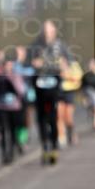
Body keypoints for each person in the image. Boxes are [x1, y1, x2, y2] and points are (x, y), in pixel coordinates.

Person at [28, 20, 71, 165]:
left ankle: (54, 147)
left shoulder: (60, 46)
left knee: (53, 118)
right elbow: (28, 62)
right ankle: (45, 147)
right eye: (44, 29)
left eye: (49, 29)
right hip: (39, 87)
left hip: (54, 87)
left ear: (54, 31)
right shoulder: (35, 45)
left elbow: (67, 65)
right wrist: (35, 64)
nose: (47, 32)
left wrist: (61, 67)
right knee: (40, 119)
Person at [0, 52, 26, 165]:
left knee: (12, 130)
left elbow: (21, 91)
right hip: (1, 107)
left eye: (10, 64)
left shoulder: (16, 76)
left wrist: (12, 81)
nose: (7, 66)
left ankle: (11, 152)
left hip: (14, 107)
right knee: (2, 130)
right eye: (6, 64)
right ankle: (4, 153)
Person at [57, 56, 83, 147]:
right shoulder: (54, 62)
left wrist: (67, 76)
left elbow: (78, 79)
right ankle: (61, 137)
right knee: (59, 116)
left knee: (68, 117)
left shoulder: (73, 64)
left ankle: (71, 132)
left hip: (69, 91)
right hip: (57, 92)